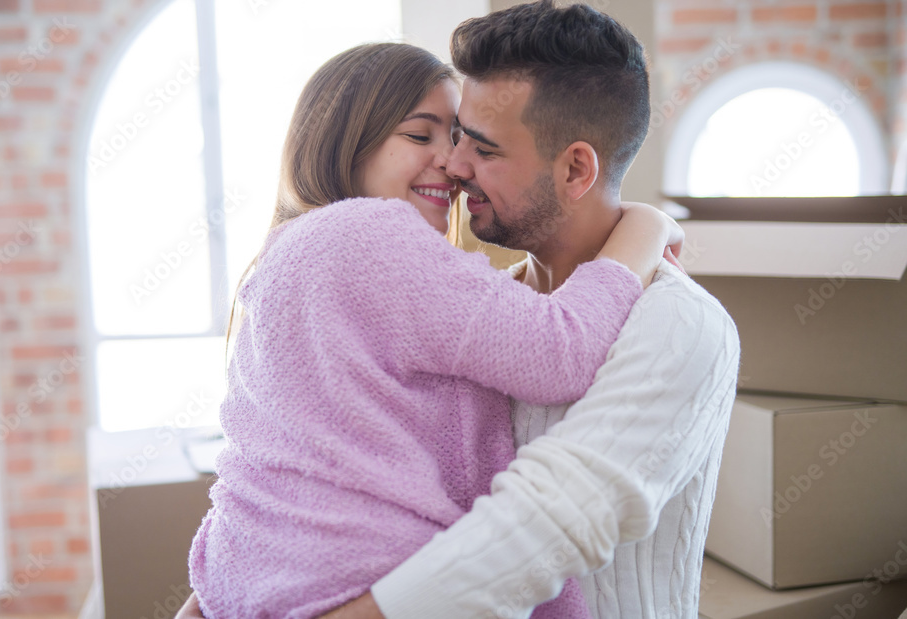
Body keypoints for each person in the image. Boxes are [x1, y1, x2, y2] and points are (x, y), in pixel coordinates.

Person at [184, 40, 682, 619]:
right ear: (345, 141)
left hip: (262, 581)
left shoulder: (286, 258)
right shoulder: (370, 233)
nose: (450, 162)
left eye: (457, 138)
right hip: (366, 582)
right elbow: (561, 350)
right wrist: (647, 225)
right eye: (420, 136)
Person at [315, 0, 741, 619]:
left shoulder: (680, 326)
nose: (453, 166)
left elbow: (543, 529)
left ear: (575, 170)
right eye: (455, 135)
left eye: (482, 149)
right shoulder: (482, 315)